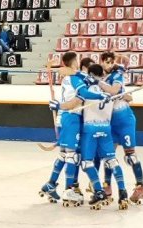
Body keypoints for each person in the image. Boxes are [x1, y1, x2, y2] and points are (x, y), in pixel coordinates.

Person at [40, 52, 106, 207]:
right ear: (74, 62)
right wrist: (100, 96)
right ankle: (69, 190)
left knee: (63, 154)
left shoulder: (73, 77)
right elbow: (83, 93)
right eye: (76, 60)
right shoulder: (74, 78)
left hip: (65, 117)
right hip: (71, 117)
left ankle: (50, 184)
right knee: (71, 155)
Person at [98, 51, 143, 204]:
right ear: (100, 61)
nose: (108, 64)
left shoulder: (117, 74)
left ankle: (140, 186)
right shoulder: (98, 76)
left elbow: (114, 90)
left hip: (124, 120)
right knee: (108, 156)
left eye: (110, 61)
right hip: (109, 121)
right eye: (105, 61)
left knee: (130, 156)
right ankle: (107, 186)